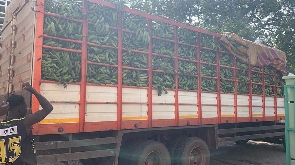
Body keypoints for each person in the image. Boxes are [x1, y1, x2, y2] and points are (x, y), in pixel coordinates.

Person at [0, 82, 53, 165]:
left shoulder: (1, 126)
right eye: (25, 107)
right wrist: (33, 91)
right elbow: (48, 108)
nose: (26, 110)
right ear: (20, 110)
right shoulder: (24, 123)